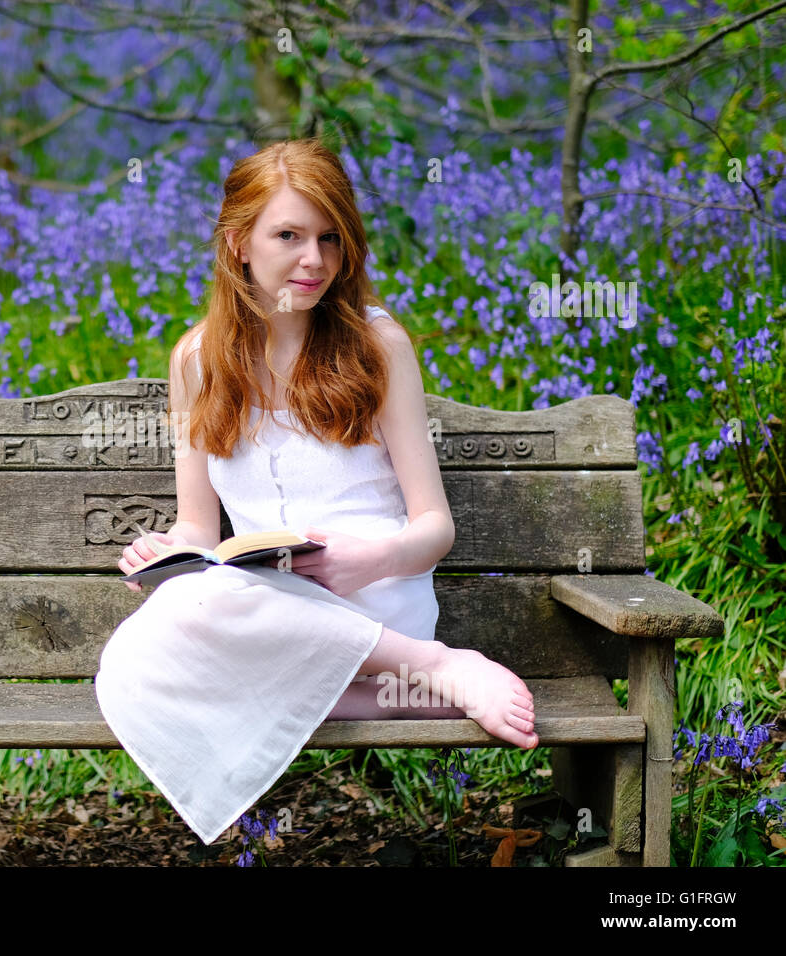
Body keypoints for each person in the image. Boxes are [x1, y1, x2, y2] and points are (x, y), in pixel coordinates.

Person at [92, 138, 537, 847]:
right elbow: (199, 532)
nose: (315, 261)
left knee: (217, 611)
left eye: (330, 238)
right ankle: (401, 699)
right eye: (290, 236)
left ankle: (436, 667)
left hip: (376, 605)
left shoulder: (375, 343)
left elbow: (434, 525)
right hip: (271, 607)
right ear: (239, 242)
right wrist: (166, 554)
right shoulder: (196, 361)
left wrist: (373, 558)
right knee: (134, 655)